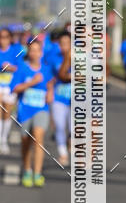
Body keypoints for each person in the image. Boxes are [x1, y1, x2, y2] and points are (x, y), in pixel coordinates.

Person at [10, 38, 53, 187]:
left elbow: (50, 83)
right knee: (26, 141)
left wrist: (50, 93)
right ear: (29, 52)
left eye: (37, 50)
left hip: (41, 109)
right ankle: (27, 170)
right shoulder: (22, 68)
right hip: (25, 110)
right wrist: (31, 83)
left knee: (38, 137)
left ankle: (37, 173)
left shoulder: (46, 69)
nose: (34, 53)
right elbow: (15, 88)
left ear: (41, 52)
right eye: (32, 50)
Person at [49, 30, 72, 166]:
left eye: (67, 43)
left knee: (73, 128)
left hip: (76, 99)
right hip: (58, 97)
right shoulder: (54, 58)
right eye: (62, 43)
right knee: (59, 126)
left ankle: (70, 140)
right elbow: (50, 77)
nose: (64, 46)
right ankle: (62, 153)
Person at [0, 27, 19, 154]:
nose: (3, 40)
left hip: (10, 86)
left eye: (6, 37)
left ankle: (4, 139)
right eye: (1, 37)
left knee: (7, 114)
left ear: (10, 38)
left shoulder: (15, 51)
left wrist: (10, 67)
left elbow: (20, 68)